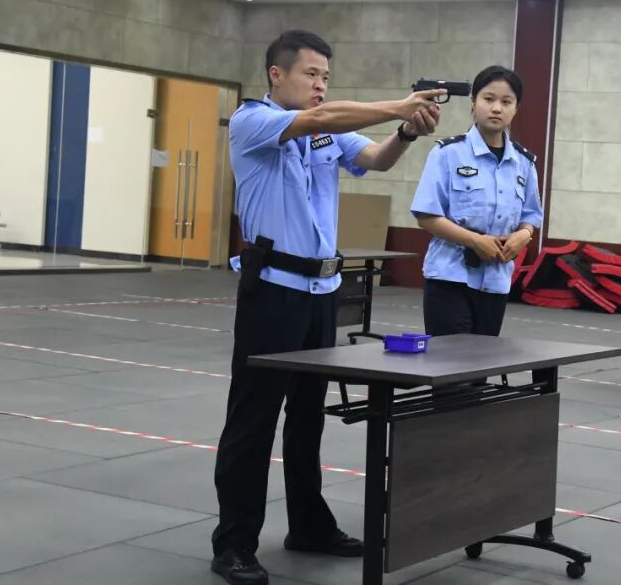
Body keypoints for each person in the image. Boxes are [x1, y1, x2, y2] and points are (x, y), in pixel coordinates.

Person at [211, 29, 446, 585]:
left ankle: (309, 526)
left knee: (308, 417)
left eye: (326, 77)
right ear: (277, 74)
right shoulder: (252, 120)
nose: (320, 85)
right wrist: (398, 105)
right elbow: (319, 119)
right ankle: (234, 544)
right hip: (273, 291)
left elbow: (375, 159)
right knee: (253, 420)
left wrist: (405, 132)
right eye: (311, 74)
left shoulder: (327, 130)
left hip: (320, 293)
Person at [410, 65, 543, 338]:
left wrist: (524, 235)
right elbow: (426, 215)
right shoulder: (447, 153)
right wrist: (475, 241)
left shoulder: (524, 163)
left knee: (483, 361)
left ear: (516, 109)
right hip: (450, 278)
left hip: (496, 281)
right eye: (488, 99)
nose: (496, 108)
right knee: (452, 360)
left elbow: (531, 214)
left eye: (506, 102)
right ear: (473, 103)